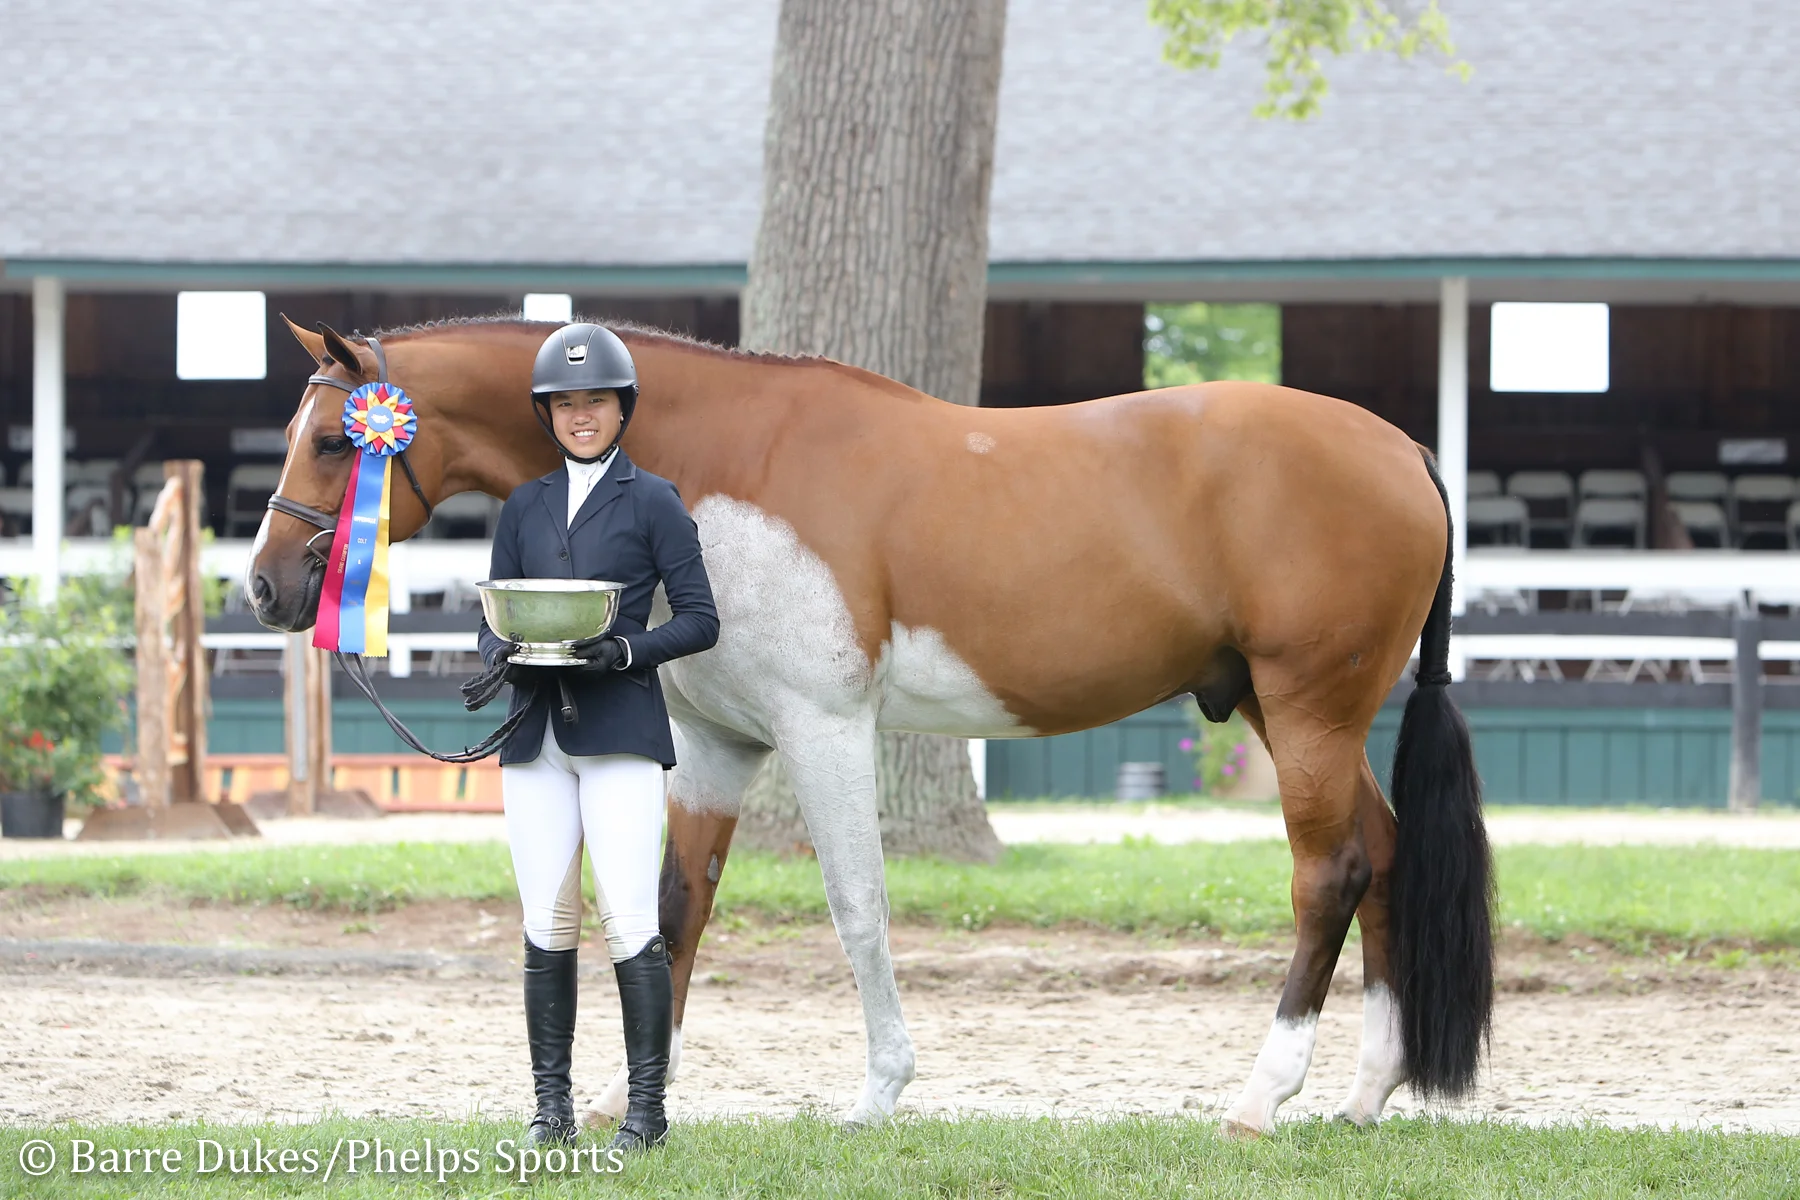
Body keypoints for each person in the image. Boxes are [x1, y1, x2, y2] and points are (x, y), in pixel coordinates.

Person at [473, 322, 719, 1151]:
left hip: (618, 730)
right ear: (549, 413)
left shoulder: (653, 500)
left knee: (627, 916)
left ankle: (646, 1113)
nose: (582, 416)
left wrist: (623, 649)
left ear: (622, 410)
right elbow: (494, 615)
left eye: (597, 402)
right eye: (567, 403)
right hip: (535, 734)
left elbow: (699, 620)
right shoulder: (524, 506)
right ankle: (551, 1107)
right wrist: (501, 654)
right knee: (546, 921)